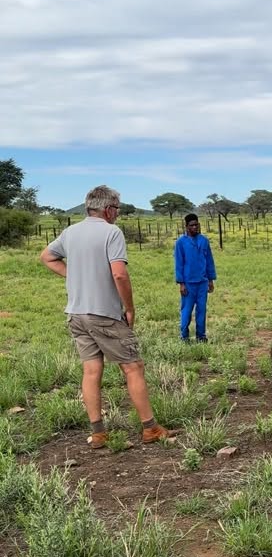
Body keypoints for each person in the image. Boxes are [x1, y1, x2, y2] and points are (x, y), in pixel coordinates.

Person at [40, 185, 176, 448]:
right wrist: (129, 308)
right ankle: (150, 428)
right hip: (104, 314)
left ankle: (98, 433)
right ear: (108, 209)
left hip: (76, 313)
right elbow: (119, 274)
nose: (117, 214)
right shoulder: (111, 232)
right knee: (132, 366)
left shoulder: (70, 232)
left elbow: (46, 257)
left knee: (91, 370)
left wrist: (75, 277)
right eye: (117, 209)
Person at [174, 213, 217, 342]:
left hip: (202, 282)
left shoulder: (204, 240)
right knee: (186, 311)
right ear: (186, 227)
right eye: (192, 225)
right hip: (188, 284)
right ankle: (184, 336)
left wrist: (210, 280)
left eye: (196, 225)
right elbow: (179, 263)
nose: (195, 227)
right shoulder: (181, 243)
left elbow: (209, 260)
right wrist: (181, 283)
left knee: (201, 311)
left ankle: (201, 336)